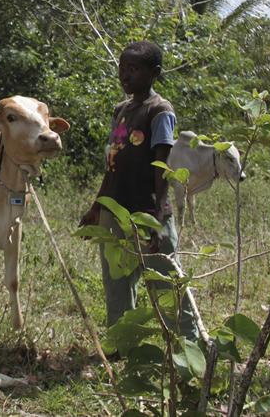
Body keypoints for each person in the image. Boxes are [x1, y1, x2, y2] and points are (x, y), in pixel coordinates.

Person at [79, 40, 198, 346]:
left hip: (148, 211)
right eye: (122, 68)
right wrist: (97, 205)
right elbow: (113, 161)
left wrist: (157, 214)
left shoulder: (159, 111)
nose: (125, 74)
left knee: (165, 280)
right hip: (115, 210)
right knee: (116, 281)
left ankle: (189, 344)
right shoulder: (121, 110)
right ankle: (121, 344)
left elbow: (162, 163)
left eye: (133, 69)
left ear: (153, 73)